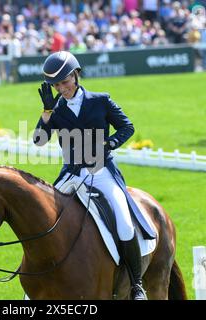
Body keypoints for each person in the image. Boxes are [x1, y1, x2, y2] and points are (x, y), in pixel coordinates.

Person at [33, 51, 156, 300]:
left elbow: (127, 126)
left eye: (65, 82)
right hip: (71, 174)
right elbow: (39, 140)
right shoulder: (54, 109)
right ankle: (36, 288)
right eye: (56, 85)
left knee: (123, 221)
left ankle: (136, 285)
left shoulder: (100, 101)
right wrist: (46, 113)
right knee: (44, 220)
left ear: (76, 75)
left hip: (101, 171)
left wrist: (109, 144)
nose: (61, 88)